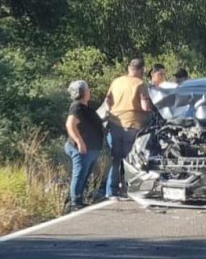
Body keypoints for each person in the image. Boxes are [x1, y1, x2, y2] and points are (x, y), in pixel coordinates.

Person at [104, 58, 152, 200]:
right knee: (129, 160)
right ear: (141, 70)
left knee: (115, 159)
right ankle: (126, 189)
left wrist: (112, 112)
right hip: (133, 125)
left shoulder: (116, 81)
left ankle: (110, 191)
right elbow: (144, 107)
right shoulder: (140, 84)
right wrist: (150, 109)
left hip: (115, 124)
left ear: (129, 68)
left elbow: (107, 101)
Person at [64, 80, 104, 212]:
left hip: (90, 148)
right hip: (81, 148)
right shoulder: (76, 107)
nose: (89, 91)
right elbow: (70, 125)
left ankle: (78, 199)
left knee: (83, 175)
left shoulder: (85, 108)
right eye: (87, 89)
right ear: (81, 92)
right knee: (79, 174)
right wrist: (79, 142)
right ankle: (75, 202)